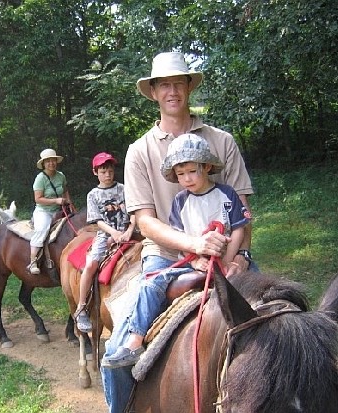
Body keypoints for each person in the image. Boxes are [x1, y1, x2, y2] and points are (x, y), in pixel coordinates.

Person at [100, 51, 255, 413]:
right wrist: (194, 245)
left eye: (179, 83)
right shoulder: (139, 151)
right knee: (115, 355)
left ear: (189, 87)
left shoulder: (222, 141)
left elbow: (244, 209)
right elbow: (145, 220)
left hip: (228, 252)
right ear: (153, 92)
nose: (172, 91)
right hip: (167, 255)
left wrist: (240, 256)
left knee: (277, 325)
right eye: (164, 85)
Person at [102, 133, 250, 367]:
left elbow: (240, 229)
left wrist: (230, 260)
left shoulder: (226, 195)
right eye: (181, 174)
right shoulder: (180, 202)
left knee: (263, 292)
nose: (187, 179)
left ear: (207, 166)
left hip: (226, 261)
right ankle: (134, 340)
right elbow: (180, 239)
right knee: (152, 284)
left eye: (192, 171)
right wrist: (193, 262)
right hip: (195, 262)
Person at [74, 152, 136, 333]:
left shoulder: (124, 189)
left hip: (129, 230)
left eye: (110, 170)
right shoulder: (93, 195)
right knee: (91, 264)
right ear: (96, 173)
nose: (108, 174)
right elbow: (97, 221)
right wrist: (114, 233)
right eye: (103, 171)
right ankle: (82, 307)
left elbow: (133, 211)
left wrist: (130, 230)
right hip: (106, 234)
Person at [29, 148, 73, 275]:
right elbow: (38, 199)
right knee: (42, 229)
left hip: (60, 210)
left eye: (53, 160)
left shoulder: (61, 176)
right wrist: (56, 201)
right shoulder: (40, 178)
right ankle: (33, 261)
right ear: (43, 163)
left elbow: (65, 190)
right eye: (48, 161)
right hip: (44, 211)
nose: (51, 163)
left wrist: (69, 203)